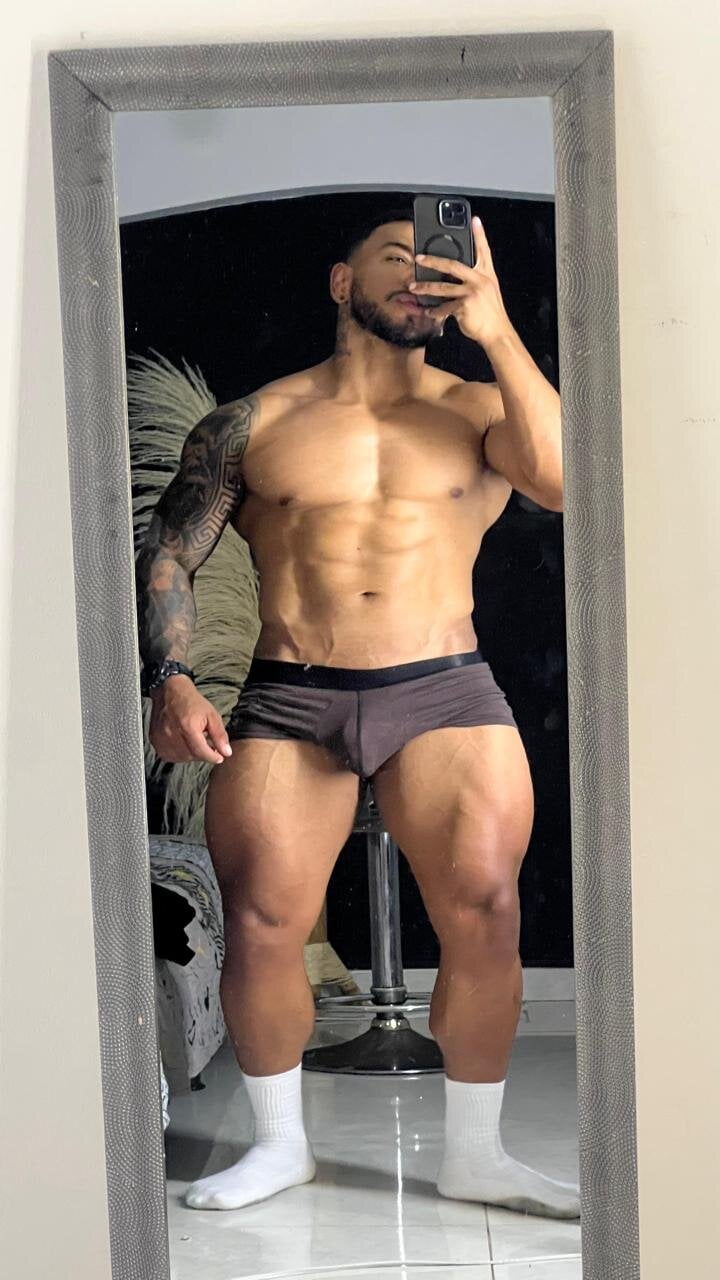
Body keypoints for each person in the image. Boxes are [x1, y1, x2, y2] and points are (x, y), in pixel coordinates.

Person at [135, 206, 579, 1219]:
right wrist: (171, 677)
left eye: (439, 263)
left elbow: (561, 480)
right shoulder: (254, 422)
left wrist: (496, 325)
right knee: (261, 921)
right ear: (343, 282)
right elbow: (171, 550)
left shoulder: (481, 407)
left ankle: (477, 1155)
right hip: (292, 693)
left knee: (487, 910)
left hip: (446, 688)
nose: (421, 275)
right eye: (397, 258)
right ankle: (279, 1146)